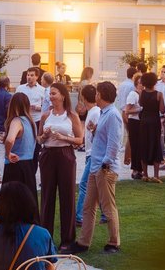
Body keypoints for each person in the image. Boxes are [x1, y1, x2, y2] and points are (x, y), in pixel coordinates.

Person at [75, 81, 122, 254]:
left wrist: (106, 163)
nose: (95, 95)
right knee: (88, 207)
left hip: (104, 168)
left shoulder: (112, 115)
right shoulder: (103, 113)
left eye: (97, 93)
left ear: (100, 95)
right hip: (96, 167)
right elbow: (103, 139)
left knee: (108, 207)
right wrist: (95, 131)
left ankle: (114, 242)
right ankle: (83, 242)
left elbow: (114, 142)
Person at [37, 82, 83, 250]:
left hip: (65, 155)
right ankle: (45, 238)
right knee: (47, 196)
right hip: (48, 155)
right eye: (50, 94)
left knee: (67, 196)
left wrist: (64, 138)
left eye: (54, 93)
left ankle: (67, 240)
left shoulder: (71, 116)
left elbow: (80, 139)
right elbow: (39, 139)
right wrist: (44, 136)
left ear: (63, 96)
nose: (51, 96)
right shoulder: (45, 115)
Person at [73, 83, 101, 226]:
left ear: (83, 98)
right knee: (96, 185)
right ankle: (105, 213)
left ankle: (79, 216)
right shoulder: (92, 111)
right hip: (91, 154)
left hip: (93, 155)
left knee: (84, 184)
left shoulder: (95, 112)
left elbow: (99, 134)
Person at [2, 92, 39, 195]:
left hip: (16, 165)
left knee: (13, 200)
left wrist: (8, 153)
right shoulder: (31, 122)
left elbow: (10, 140)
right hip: (29, 166)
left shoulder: (17, 121)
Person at [134, 71, 163, 182]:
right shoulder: (159, 94)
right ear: (155, 82)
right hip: (155, 122)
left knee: (144, 145)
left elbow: (141, 105)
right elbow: (162, 110)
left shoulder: (141, 93)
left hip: (144, 121)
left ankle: (145, 174)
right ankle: (156, 175)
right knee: (156, 145)